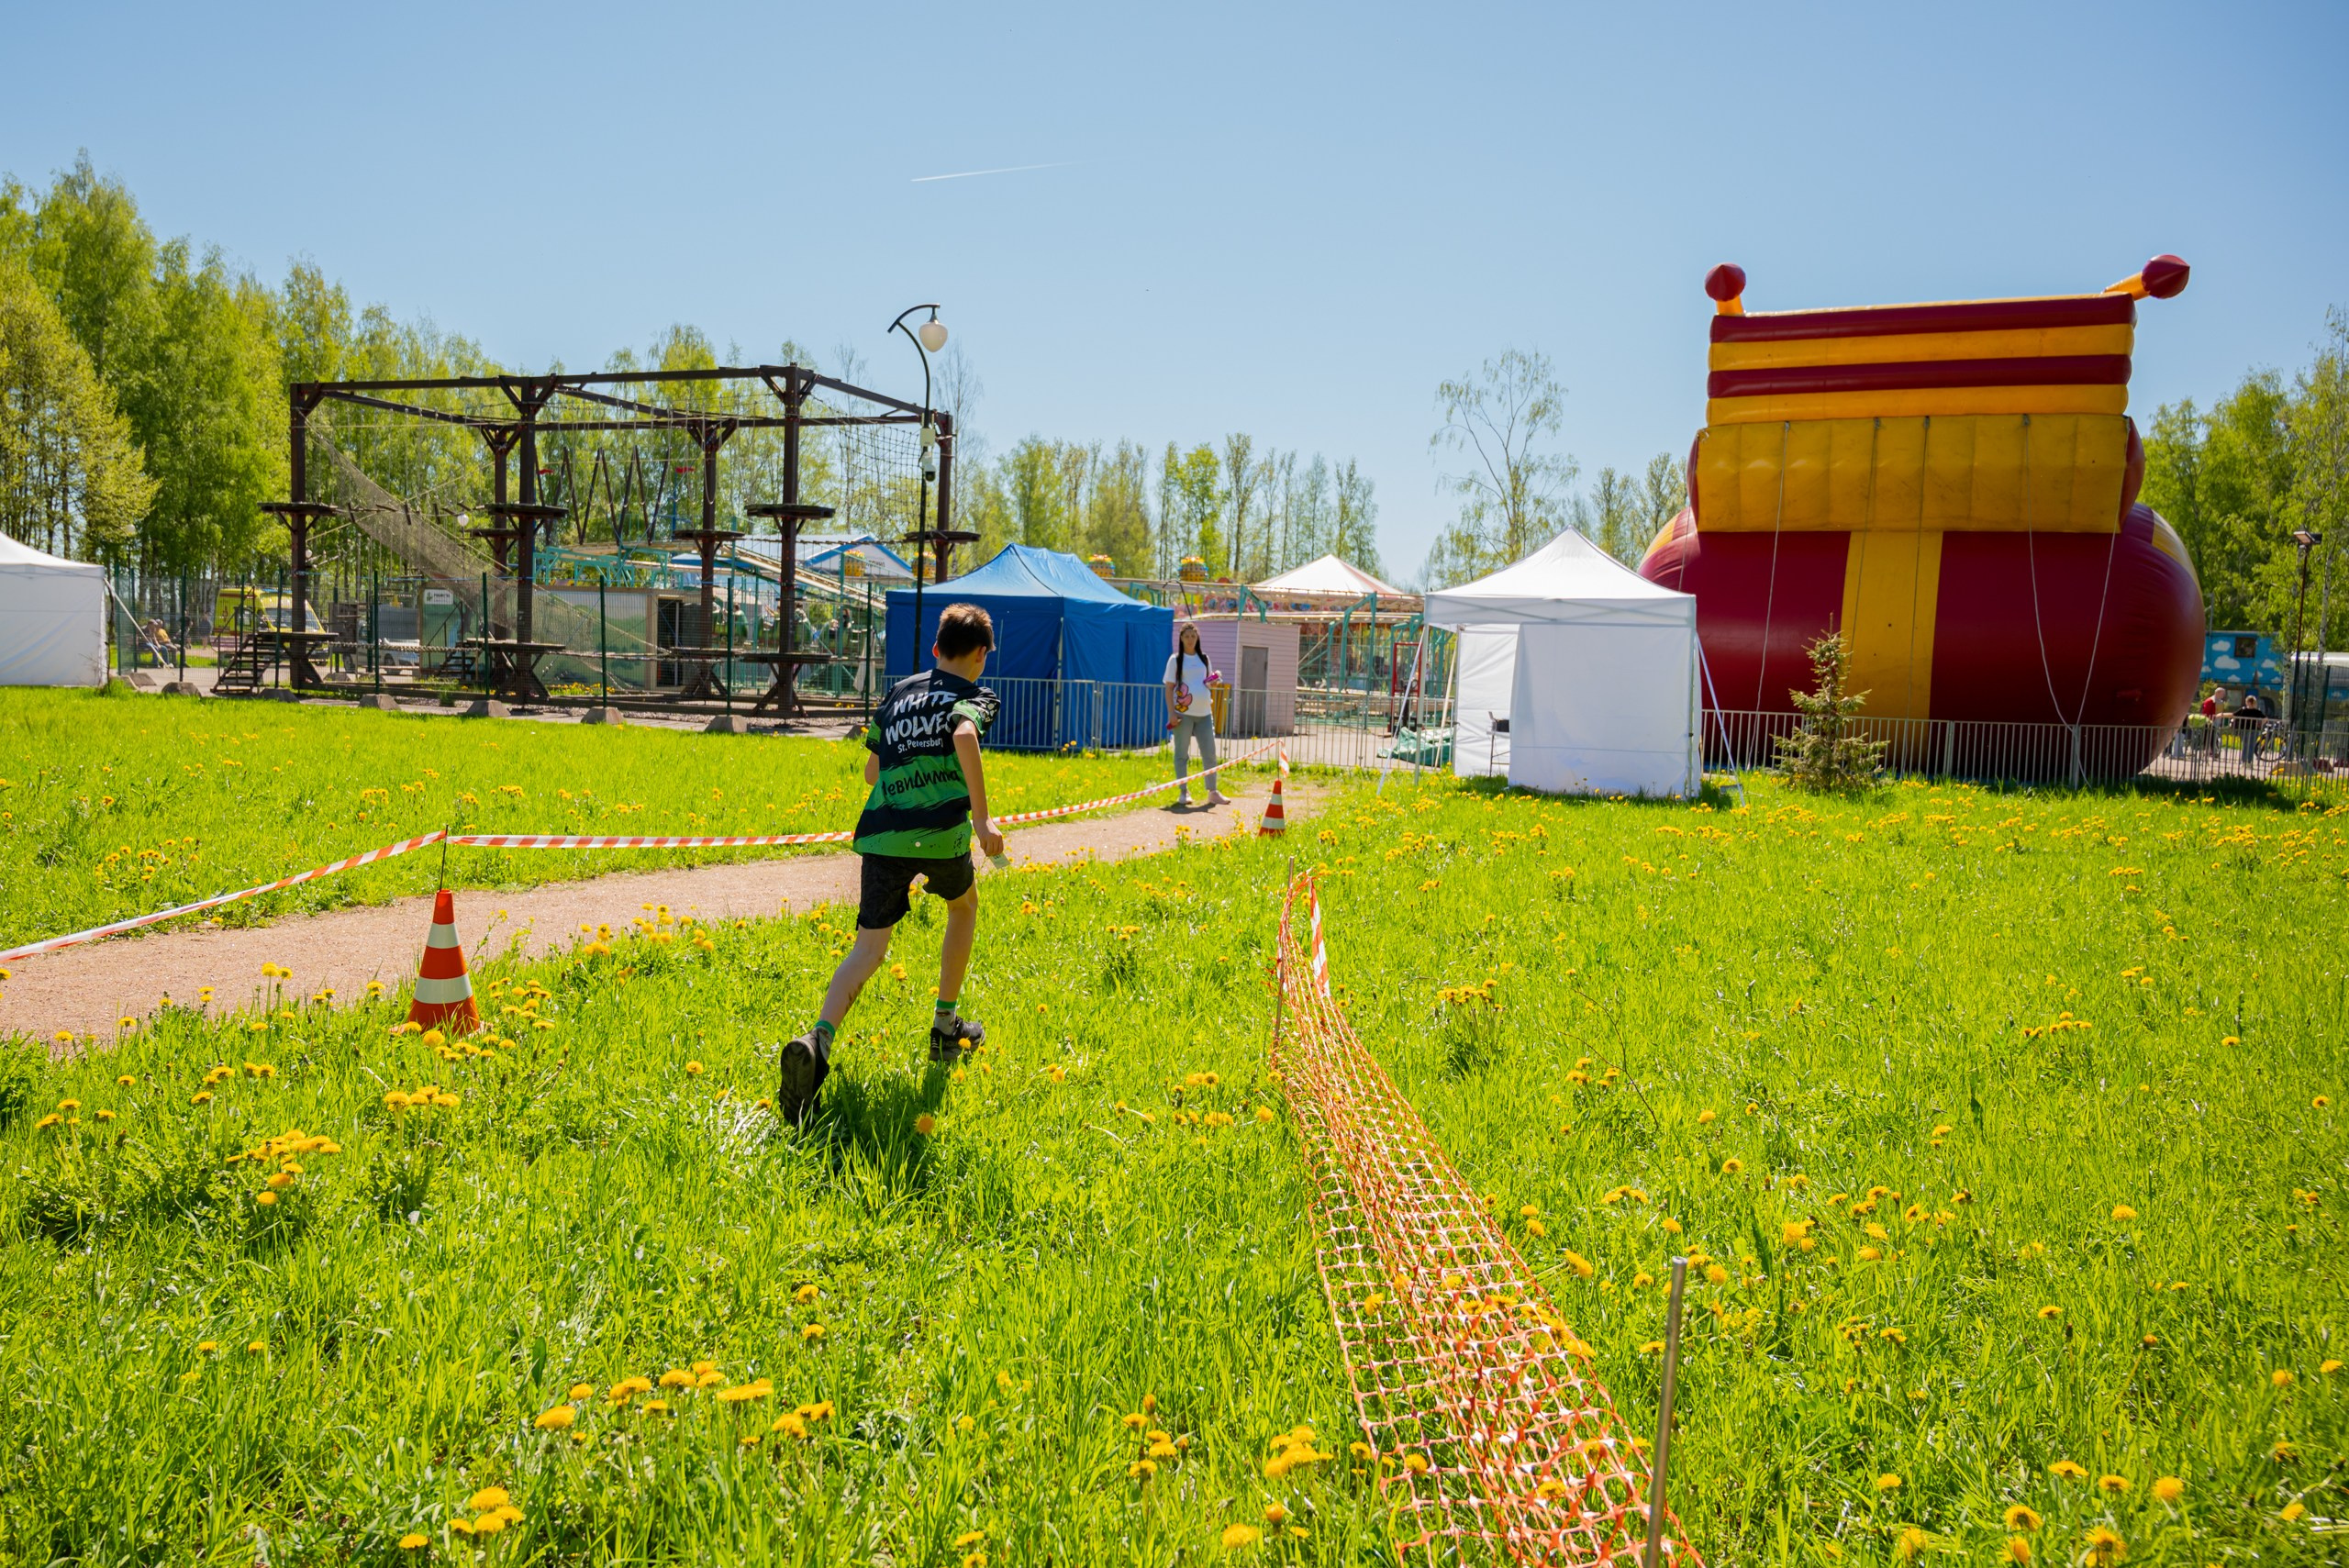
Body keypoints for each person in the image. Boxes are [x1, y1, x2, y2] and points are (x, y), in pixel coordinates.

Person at [776, 603, 1005, 1123]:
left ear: (934, 649)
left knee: (868, 951)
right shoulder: (975, 696)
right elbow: (965, 736)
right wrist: (983, 821)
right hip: (939, 837)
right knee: (964, 906)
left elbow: (871, 771)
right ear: (982, 656)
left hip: (881, 836)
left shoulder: (899, 694)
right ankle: (945, 1029)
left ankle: (818, 1042)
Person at [1164, 621, 1228, 808]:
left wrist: (1214, 680)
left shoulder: (1204, 659)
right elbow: (1169, 688)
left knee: (1210, 753)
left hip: (1204, 713)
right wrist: (1171, 714)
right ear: (1181, 639)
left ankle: (1213, 792)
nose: (1190, 640)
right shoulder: (1175, 660)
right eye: (1186, 636)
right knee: (1181, 754)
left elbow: (1207, 683)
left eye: (1193, 636)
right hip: (1183, 715)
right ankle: (1184, 792)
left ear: (1197, 637)